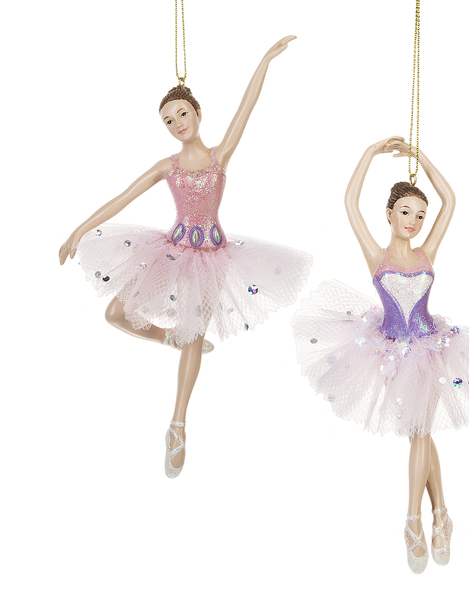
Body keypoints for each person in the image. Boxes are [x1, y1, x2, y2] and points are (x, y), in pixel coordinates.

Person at [59, 36, 312, 479]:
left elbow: (247, 107)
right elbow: (122, 197)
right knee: (116, 313)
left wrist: (265, 60)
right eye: (168, 120)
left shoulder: (219, 155)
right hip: (171, 251)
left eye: (182, 114)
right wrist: (79, 230)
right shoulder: (167, 167)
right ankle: (167, 339)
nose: (177, 123)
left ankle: (177, 425)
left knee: (195, 332)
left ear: (197, 113)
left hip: (211, 256)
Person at [292, 136, 469, 573]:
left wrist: (421, 156)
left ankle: (413, 521)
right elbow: (349, 202)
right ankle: (443, 515)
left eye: (420, 215)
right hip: (389, 351)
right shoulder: (376, 255)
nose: (414, 221)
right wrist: (369, 153)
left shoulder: (426, 252)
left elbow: (449, 200)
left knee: (420, 432)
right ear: (389, 214)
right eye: (405, 212)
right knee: (421, 431)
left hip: (431, 347)